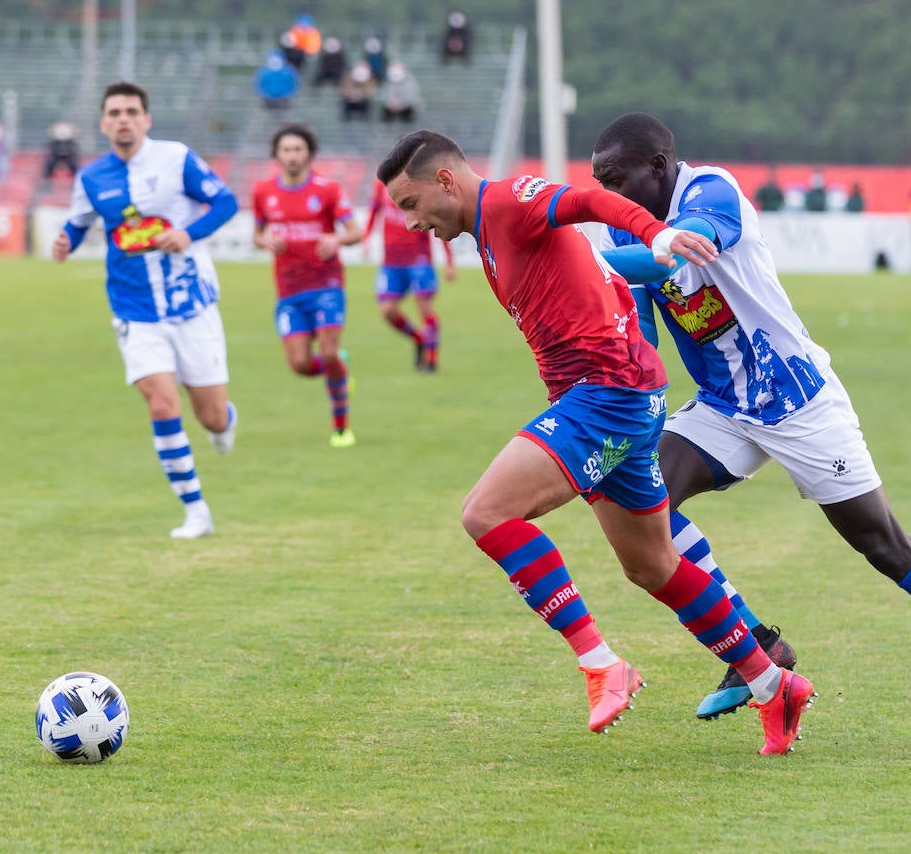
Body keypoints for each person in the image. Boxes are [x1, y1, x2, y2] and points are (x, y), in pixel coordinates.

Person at [589, 112, 911, 754]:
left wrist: (584, 260)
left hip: (798, 401)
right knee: (642, 496)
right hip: (724, 406)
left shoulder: (709, 191)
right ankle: (757, 646)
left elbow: (682, 245)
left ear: (658, 168)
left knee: (884, 545)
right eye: (597, 183)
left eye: (616, 179)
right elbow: (640, 337)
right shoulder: (619, 225)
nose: (608, 193)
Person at [376, 129, 813, 755]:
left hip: (606, 394)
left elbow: (589, 204)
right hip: (623, 395)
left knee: (487, 512)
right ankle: (772, 684)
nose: (411, 223)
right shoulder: (485, 234)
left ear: (445, 180)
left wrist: (656, 234)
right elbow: (590, 266)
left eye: (411, 204)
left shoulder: (506, 202)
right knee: (653, 566)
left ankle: (601, 663)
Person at [51, 81, 240, 541]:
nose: (123, 119)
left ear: (146, 119)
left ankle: (224, 421)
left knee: (210, 415)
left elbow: (226, 202)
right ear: (103, 123)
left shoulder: (176, 158)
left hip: (191, 303)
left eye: (131, 111)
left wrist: (189, 234)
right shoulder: (92, 177)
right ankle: (196, 510)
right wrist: (64, 241)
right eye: (114, 112)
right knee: (160, 402)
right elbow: (78, 223)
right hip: (134, 309)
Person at [252, 124, 364, 448]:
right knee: (300, 365)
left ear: (309, 154)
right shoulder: (263, 192)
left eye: (298, 149)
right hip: (289, 289)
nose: (292, 155)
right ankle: (340, 372)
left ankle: (341, 428)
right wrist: (266, 242)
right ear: (277, 155)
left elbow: (355, 232)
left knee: (327, 352)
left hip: (326, 285)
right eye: (286, 150)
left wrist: (336, 238)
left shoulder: (327, 190)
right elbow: (257, 234)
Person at [365, 178, 456, 371]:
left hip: (418, 259)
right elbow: (374, 211)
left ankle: (431, 359)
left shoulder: (418, 180)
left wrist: (449, 260)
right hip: (391, 261)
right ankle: (419, 339)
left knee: (425, 309)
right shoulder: (381, 182)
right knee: (387, 310)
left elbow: (436, 221)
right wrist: (366, 239)